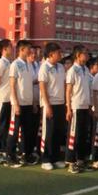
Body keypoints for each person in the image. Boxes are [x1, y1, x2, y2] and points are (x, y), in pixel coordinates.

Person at [6, 40, 38, 168]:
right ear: (22, 49)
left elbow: (30, 84)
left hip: (28, 103)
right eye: (28, 48)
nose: (30, 51)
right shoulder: (15, 64)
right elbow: (12, 85)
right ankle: (10, 156)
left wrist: (33, 103)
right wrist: (15, 103)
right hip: (18, 104)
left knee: (27, 131)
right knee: (14, 131)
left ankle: (26, 155)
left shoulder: (29, 64)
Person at [37, 42, 66, 171]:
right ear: (51, 54)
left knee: (58, 132)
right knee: (48, 132)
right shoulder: (44, 68)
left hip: (60, 103)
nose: (61, 55)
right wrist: (47, 105)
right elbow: (42, 87)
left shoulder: (61, 67)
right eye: (58, 53)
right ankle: (46, 159)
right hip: (49, 104)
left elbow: (64, 84)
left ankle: (55, 158)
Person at [65, 45, 91, 174]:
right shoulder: (73, 70)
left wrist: (90, 105)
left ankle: (81, 160)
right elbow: (68, 91)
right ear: (78, 55)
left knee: (82, 135)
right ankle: (71, 162)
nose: (87, 55)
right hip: (76, 107)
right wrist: (68, 109)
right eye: (85, 53)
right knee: (73, 135)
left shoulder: (85, 69)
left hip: (85, 106)